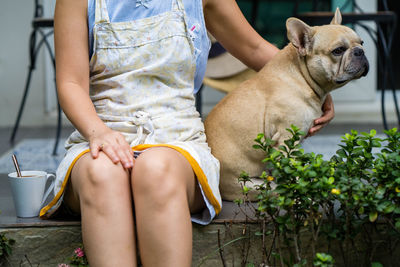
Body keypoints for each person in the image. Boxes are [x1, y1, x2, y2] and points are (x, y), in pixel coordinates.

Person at [40, 0, 335, 266]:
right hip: (101, 132)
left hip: (177, 139)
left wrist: (313, 87)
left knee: (156, 170)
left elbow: (256, 49)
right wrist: (98, 132)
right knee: (102, 173)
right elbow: (70, 83)